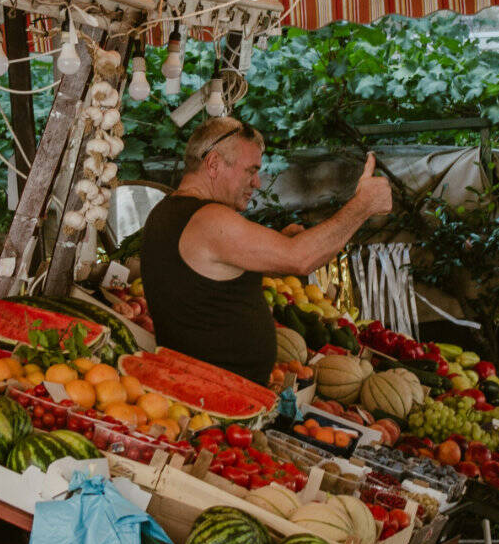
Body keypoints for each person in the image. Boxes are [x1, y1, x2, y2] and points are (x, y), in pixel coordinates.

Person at [139, 116, 392, 384]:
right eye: (250, 170)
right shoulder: (208, 219)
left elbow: (210, 274)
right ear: (213, 163)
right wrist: (363, 205)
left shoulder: (172, 210)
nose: (257, 182)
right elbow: (300, 258)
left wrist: (279, 245)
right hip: (215, 393)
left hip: (208, 386)